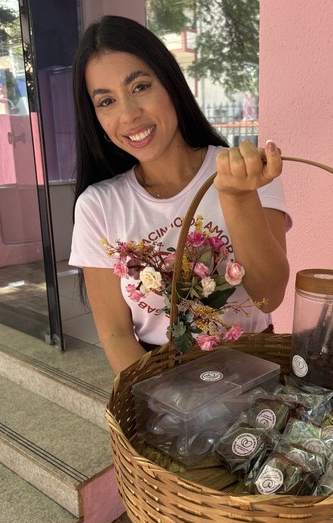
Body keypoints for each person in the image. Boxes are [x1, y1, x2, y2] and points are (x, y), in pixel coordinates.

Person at [68, 15, 291, 374]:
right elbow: (115, 335)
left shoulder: (243, 170)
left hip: (256, 374)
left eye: (140, 86)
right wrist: (167, 404)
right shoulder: (99, 205)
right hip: (157, 382)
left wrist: (236, 197)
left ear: (170, 83)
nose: (128, 114)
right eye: (106, 101)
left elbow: (269, 296)